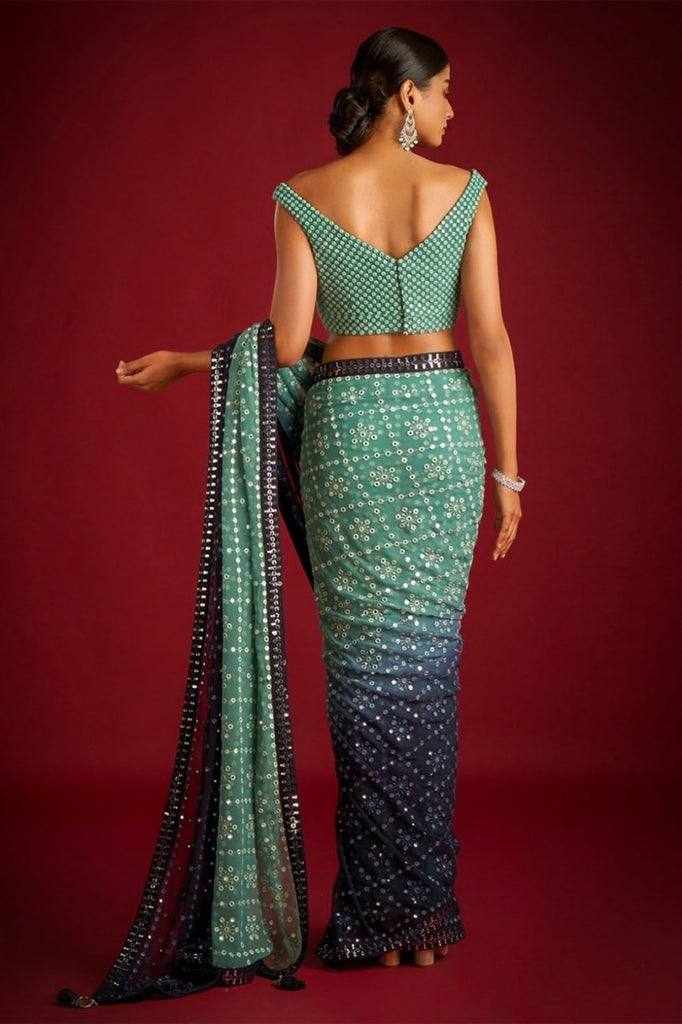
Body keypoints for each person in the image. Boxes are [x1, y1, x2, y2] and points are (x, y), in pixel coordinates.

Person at [57, 24, 523, 1012]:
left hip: (348, 432)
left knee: (362, 680)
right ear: (405, 96)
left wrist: (193, 363)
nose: (451, 109)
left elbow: (282, 346)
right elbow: (489, 338)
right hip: (443, 433)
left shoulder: (304, 196)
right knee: (428, 670)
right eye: (443, 90)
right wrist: (508, 475)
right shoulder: (466, 191)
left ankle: (375, 917)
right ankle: (419, 919)